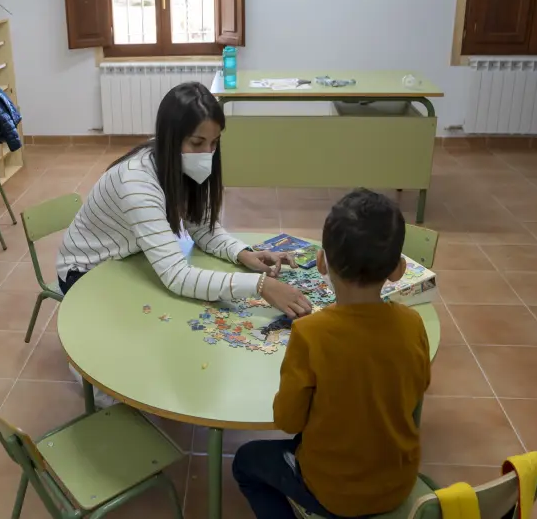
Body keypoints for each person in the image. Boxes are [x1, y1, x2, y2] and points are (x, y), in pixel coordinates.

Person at [232, 189, 432, 519]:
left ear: (321, 262)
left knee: (245, 462)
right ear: (398, 270)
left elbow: (288, 421)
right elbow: (418, 388)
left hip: (333, 493)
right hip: (399, 483)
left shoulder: (311, 333)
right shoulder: (413, 323)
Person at [55, 82, 312, 318]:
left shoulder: (180, 162)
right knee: (155, 318)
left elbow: (202, 228)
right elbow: (177, 276)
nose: (207, 153)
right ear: (171, 139)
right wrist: (261, 285)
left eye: (214, 143)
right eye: (197, 143)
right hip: (85, 272)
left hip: (130, 257)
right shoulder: (136, 182)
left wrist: (243, 253)